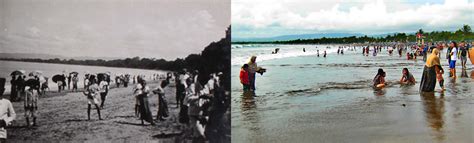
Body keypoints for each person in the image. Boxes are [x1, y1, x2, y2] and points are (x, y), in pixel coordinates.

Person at [0, 77, 16, 142]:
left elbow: (13, 115)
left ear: (3, 90)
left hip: (2, 133)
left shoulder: (7, 102)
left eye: (1, 89)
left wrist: (5, 121)